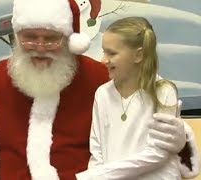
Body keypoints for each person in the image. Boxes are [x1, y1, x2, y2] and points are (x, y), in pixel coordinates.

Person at [0, 0, 197, 179]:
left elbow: (142, 116)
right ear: (16, 33)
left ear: (69, 38)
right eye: (30, 37)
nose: (39, 48)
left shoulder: (100, 80)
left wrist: (181, 139)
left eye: (50, 38)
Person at [76, 17, 199, 180]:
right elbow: (97, 151)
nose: (103, 60)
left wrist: (98, 176)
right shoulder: (102, 93)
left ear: (138, 55)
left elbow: (157, 153)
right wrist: (95, 176)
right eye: (103, 51)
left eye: (111, 53)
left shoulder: (163, 91)